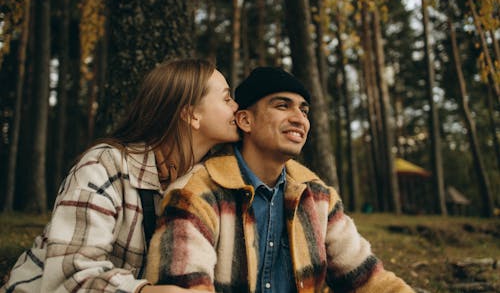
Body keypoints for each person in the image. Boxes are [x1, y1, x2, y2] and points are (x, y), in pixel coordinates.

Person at [146, 66, 414, 292]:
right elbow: (183, 285)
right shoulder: (197, 193)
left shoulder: (319, 196)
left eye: (304, 110)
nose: (299, 119)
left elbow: (369, 278)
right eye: (282, 105)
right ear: (245, 120)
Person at [1, 59, 239, 293]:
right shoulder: (104, 166)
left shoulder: (205, 183)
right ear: (191, 115)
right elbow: (71, 276)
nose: (236, 107)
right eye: (227, 98)